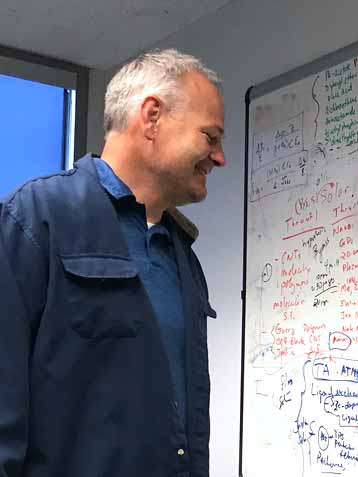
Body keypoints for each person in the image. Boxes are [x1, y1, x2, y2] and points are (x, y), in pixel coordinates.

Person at [0, 48, 225, 477]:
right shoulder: (35, 219)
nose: (219, 157)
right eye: (210, 137)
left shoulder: (180, 252)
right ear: (152, 116)